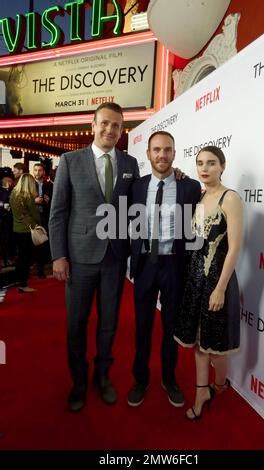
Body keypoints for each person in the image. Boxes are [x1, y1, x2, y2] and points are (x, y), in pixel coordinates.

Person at [49, 102, 140, 412]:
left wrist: (174, 177)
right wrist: (59, 255)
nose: (109, 130)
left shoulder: (130, 164)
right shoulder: (70, 161)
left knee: (109, 324)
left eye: (116, 126)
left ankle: (103, 377)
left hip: (114, 258)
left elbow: (137, 204)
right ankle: (78, 381)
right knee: (76, 323)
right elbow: (58, 213)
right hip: (79, 258)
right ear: (93, 125)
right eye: (104, 124)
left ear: (121, 130)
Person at [127, 131, 201, 408]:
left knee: (171, 326)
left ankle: (169, 378)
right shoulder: (136, 186)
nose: (162, 155)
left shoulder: (189, 187)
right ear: (148, 154)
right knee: (142, 326)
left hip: (174, 265)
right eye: (156, 150)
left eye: (167, 150)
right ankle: (140, 379)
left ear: (174, 152)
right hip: (145, 263)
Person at [174, 145, 243, 420]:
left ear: (222, 166)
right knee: (198, 342)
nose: (204, 168)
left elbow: (235, 247)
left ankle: (219, 384)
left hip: (217, 280)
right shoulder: (200, 199)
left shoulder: (231, 198)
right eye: (200, 163)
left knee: (216, 343)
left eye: (211, 163)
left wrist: (221, 287)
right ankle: (202, 391)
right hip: (195, 279)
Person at [9, 174, 40, 293]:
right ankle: (23, 284)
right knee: (26, 258)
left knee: (20, 257)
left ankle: (19, 281)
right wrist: (38, 224)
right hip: (27, 230)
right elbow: (35, 214)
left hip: (16, 229)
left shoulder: (13, 195)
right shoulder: (27, 197)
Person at [33, 163, 53, 277]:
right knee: (35, 240)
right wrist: (34, 200)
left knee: (44, 240)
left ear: (43, 172)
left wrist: (47, 200)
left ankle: (42, 265)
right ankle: (37, 265)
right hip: (33, 215)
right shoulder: (30, 184)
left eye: (40, 170)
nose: (37, 172)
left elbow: (54, 199)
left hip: (45, 215)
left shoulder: (49, 185)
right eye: (35, 170)